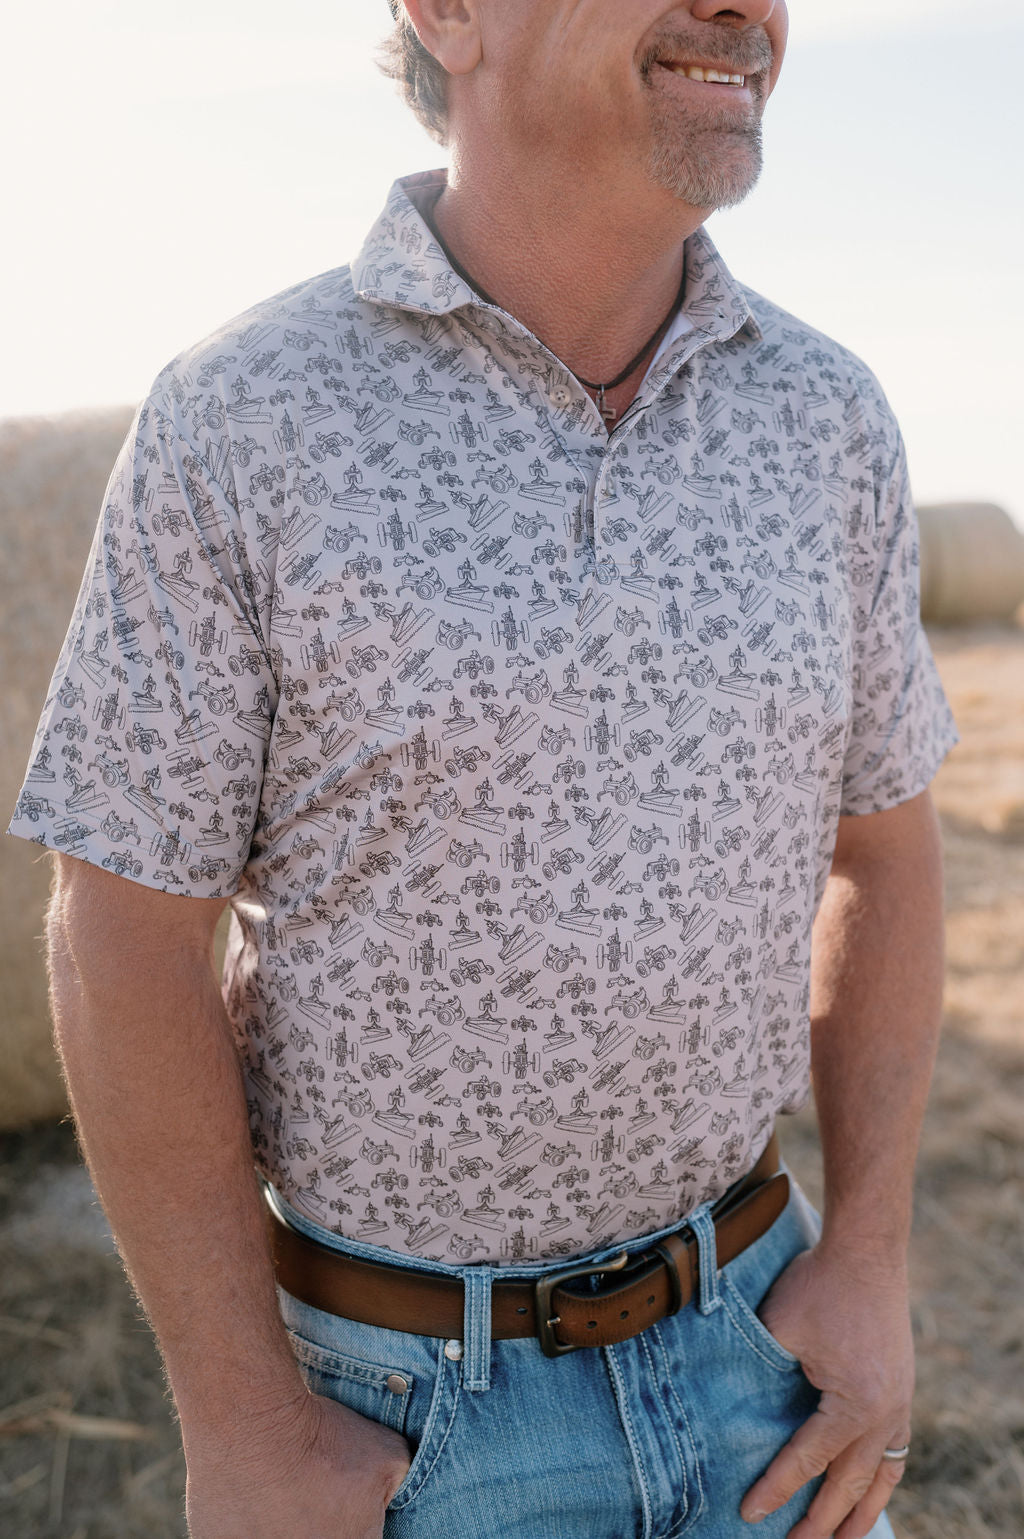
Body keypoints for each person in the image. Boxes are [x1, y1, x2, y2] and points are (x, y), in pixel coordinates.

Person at [9, 3, 959, 1536]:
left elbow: (887, 849)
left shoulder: (828, 418)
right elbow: (121, 925)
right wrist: (246, 1428)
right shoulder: (246, 419)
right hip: (401, 1426)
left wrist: (871, 1262)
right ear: (444, 12)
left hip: (766, 1369)